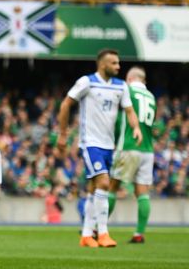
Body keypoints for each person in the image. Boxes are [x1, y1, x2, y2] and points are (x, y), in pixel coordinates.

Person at [58, 49, 142, 248]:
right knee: (104, 183)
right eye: (114, 63)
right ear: (103, 65)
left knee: (93, 188)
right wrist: (62, 134)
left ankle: (86, 235)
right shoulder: (87, 82)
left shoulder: (121, 86)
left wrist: (136, 127)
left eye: (118, 63)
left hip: (108, 145)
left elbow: (129, 110)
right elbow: (65, 105)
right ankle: (103, 233)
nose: (118, 67)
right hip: (90, 143)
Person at [108, 66, 156, 243]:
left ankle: (99, 229)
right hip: (147, 149)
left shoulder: (126, 90)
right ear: (143, 81)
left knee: (112, 187)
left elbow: (118, 117)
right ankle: (139, 233)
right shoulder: (151, 96)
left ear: (129, 79)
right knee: (142, 193)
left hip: (128, 145)